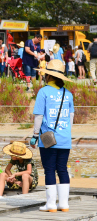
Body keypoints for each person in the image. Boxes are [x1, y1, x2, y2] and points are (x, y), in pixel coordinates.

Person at [30, 59, 74, 213]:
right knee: (62, 169)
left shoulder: (44, 92)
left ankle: (51, 205)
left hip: (49, 138)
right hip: (65, 138)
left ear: (48, 76)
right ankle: (63, 204)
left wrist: (35, 136)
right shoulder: (68, 94)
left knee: (49, 170)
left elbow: (39, 117)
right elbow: (71, 117)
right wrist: (65, 133)